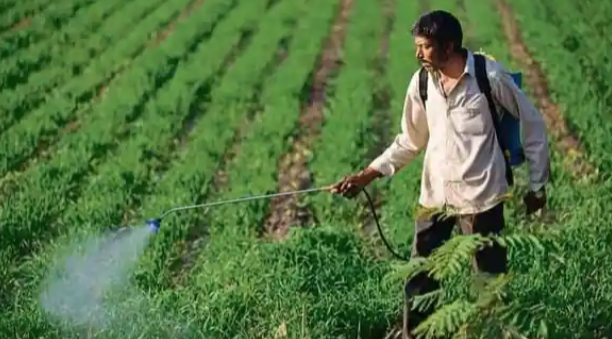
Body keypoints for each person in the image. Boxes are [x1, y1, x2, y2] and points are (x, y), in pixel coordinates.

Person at [329, 9, 550, 339]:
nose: (418, 54)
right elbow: (409, 140)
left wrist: (537, 185)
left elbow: (533, 124)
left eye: (425, 47)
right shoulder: (421, 83)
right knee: (420, 273)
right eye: (417, 46)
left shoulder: (489, 77)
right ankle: (413, 334)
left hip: (482, 196)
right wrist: (366, 175)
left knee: (488, 280)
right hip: (435, 196)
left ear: (449, 47)